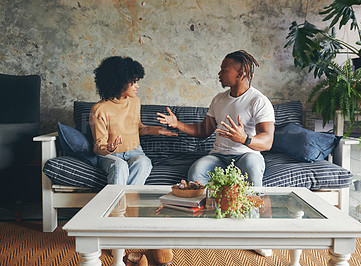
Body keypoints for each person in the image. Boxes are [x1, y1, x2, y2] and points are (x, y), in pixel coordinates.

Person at [90, 56, 175, 265]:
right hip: (111, 155)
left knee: (144, 163)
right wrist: (107, 148)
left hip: (135, 150)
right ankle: (115, 229)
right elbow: (97, 146)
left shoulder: (135, 102)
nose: (137, 86)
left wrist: (159, 131)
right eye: (134, 81)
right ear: (119, 81)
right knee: (119, 166)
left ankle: (123, 220)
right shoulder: (99, 109)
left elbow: (138, 128)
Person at [157, 50, 275, 187]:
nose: (219, 74)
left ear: (240, 74)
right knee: (196, 172)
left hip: (246, 155)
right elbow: (204, 130)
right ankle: (205, 207)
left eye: (224, 70)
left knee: (252, 166)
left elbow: (267, 141)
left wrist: (244, 138)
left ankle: (252, 207)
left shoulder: (258, 101)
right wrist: (177, 124)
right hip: (218, 156)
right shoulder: (219, 99)